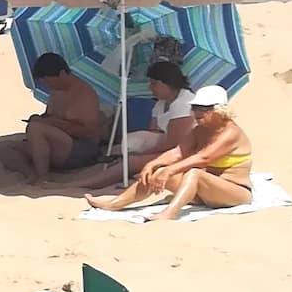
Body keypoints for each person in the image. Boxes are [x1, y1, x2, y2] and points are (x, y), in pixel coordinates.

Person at [84, 87, 253, 220]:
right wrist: (153, 164)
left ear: (219, 110)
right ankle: (116, 203)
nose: (197, 113)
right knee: (157, 172)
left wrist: (170, 170)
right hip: (205, 193)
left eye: (203, 108)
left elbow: (203, 158)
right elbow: (179, 151)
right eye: (195, 107)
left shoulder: (230, 133)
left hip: (234, 192)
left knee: (193, 173)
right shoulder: (199, 130)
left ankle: (170, 213)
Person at [0, 53, 104, 181]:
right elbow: (49, 116)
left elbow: (87, 132)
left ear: (62, 73)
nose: (47, 85)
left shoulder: (84, 94)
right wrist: (40, 118)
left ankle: (43, 177)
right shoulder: (56, 91)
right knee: (4, 148)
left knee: (36, 128)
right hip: (56, 144)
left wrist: (50, 122)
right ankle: (30, 174)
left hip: (79, 148)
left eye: (48, 80)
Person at [122, 62, 196, 171]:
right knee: (125, 158)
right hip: (164, 148)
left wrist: (143, 154)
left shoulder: (185, 103)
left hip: (181, 152)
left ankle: (88, 184)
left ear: (168, 82)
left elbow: (174, 143)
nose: (150, 87)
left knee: (130, 163)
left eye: (154, 83)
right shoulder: (160, 104)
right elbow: (153, 131)